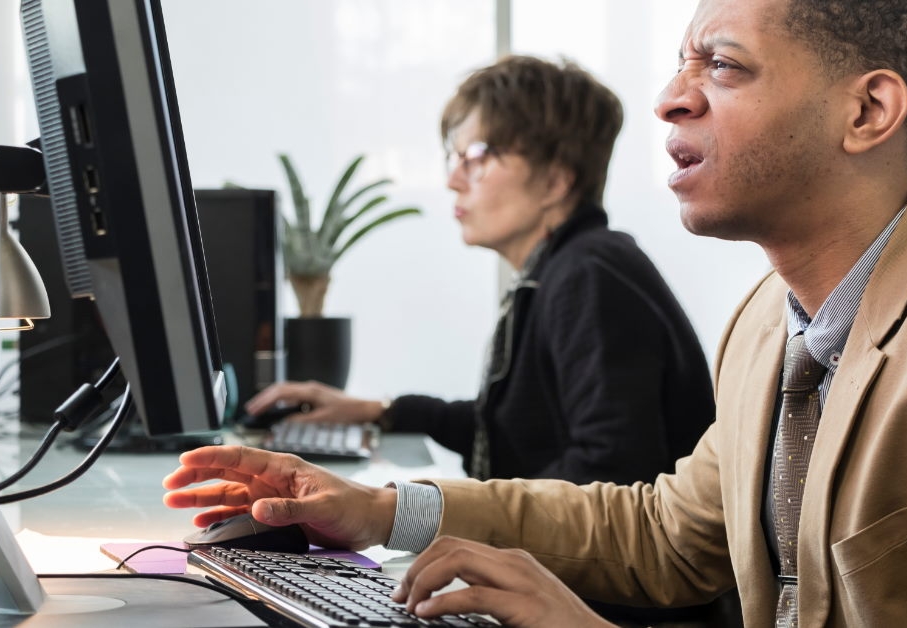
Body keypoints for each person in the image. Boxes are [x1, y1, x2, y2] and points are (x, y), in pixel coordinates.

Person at [165, 0, 907, 626]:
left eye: (720, 67)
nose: (668, 100)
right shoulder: (768, 327)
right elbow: (655, 529)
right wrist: (380, 513)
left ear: (868, 112)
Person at [246, 55, 715, 487]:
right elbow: (514, 433)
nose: (453, 180)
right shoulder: (563, 268)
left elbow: (610, 474)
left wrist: (437, 514)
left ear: (555, 180)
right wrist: (379, 411)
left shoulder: (588, 277)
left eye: (476, 157)